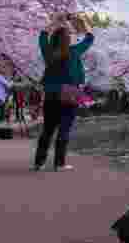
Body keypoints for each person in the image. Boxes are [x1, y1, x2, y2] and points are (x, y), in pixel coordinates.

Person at [33, 14, 95, 170]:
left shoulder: (48, 52)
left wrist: (55, 22)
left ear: (53, 39)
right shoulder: (74, 51)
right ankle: (59, 163)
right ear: (68, 40)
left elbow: (43, 34)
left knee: (47, 130)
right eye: (70, 35)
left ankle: (39, 162)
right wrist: (82, 22)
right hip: (69, 94)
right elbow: (90, 38)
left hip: (51, 94)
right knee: (64, 129)